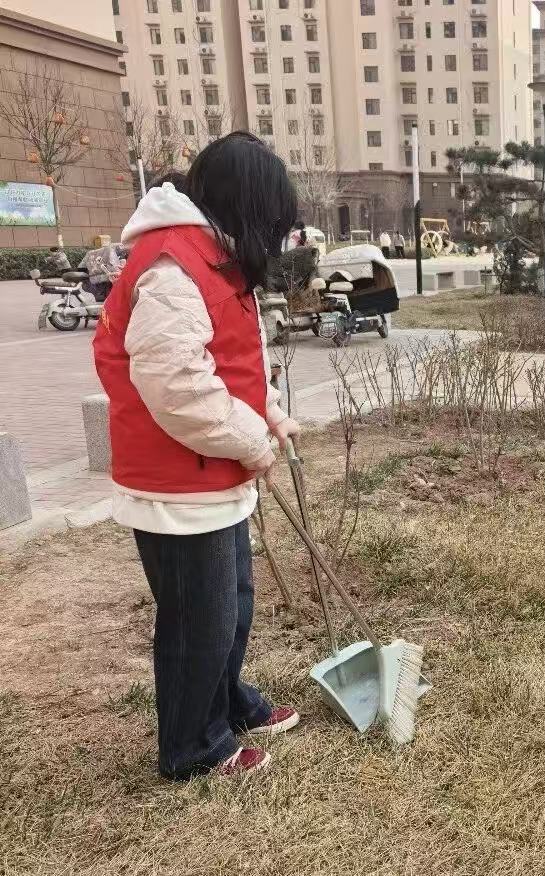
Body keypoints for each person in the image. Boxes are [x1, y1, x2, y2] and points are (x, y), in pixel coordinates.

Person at [92, 132, 302, 780]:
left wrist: (270, 415)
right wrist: (252, 441)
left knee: (232, 604)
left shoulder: (213, 256)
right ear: (244, 205)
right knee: (197, 622)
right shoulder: (171, 268)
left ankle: (226, 701)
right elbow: (178, 386)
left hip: (212, 473)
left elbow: (234, 361)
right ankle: (192, 747)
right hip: (176, 485)